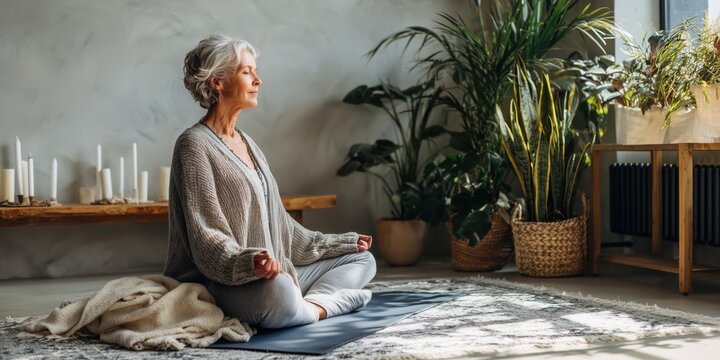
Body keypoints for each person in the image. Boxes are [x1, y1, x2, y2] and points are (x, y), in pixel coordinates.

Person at [163, 34, 376, 329]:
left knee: (362, 261)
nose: (257, 80)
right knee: (279, 291)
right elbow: (206, 235)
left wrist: (341, 243)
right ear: (217, 82)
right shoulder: (193, 144)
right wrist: (248, 262)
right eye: (247, 72)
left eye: (255, 71)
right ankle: (324, 308)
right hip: (220, 283)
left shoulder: (248, 143)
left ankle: (308, 307)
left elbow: (284, 228)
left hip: (268, 273)